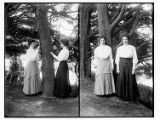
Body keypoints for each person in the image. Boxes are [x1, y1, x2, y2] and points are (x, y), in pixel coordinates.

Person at [115, 33, 140, 102]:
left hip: (130, 64)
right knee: (121, 79)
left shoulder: (132, 48)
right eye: (123, 39)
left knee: (131, 79)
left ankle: (132, 97)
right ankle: (122, 96)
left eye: (126, 39)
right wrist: (117, 68)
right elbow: (117, 58)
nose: (125, 40)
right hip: (121, 64)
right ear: (122, 40)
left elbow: (135, 58)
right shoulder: (119, 48)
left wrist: (133, 68)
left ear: (128, 40)